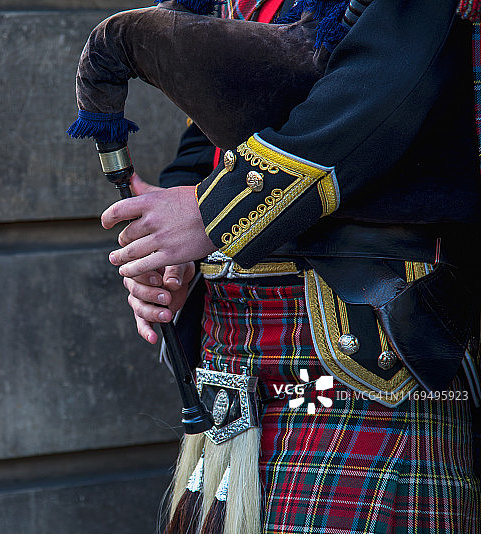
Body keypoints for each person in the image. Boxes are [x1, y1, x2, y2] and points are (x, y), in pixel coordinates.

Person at [101, 0, 481, 532]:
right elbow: (209, 134)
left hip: (365, 350)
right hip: (230, 351)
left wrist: (212, 214)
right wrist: (172, 248)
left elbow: (386, 83)